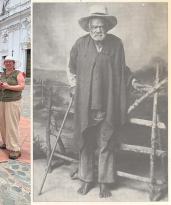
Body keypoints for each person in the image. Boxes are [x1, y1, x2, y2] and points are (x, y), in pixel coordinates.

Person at [67, 5, 150, 198]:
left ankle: (104, 182)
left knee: (106, 142)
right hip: (85, 102)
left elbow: (122, 69)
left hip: (108, 101)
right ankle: (87, 179)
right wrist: (73, 86)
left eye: (101, 27)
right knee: (86, 141)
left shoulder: (116, 44)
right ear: (88, 27)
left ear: (107, 27)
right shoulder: (80, 44)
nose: (98, 30)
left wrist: (133, 81)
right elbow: (71, 68)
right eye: (94, 27)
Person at [0, 56, 25, 159]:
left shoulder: (18, 74)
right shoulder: (3, 74)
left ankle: (15, 148)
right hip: (2, 101)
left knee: (12, 124)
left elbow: (22, 86)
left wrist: (9, 87)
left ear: (13, 63)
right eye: (6, 62)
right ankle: (7, 142)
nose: (8, 63)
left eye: (10, 62)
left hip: (13, 101)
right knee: (3, 123)